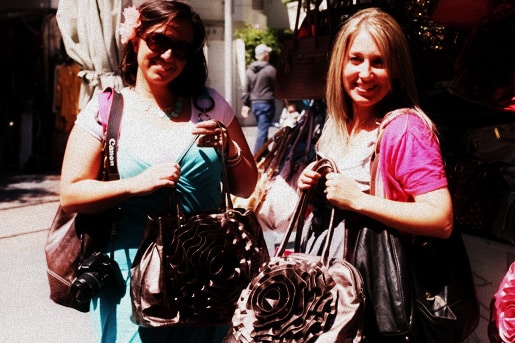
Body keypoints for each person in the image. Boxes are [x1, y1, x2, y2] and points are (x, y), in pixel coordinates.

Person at [59, 1, 257, 342]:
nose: (168, 56)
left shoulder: (210, 105)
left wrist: (230, 149)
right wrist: (134, 185)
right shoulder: (107, 109)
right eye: (158, 41)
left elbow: (246, 186)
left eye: (181, 48)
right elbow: (72, 193)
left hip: (208, 278)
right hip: (132, 280)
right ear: (135, 40)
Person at [297, 7, 453, 341]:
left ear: (396, 70)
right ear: (340, 64)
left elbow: (440, 218)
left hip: (374, 300)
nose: (365, 74)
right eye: (355, 59)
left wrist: (358, 200)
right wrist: (311, 187)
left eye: (378, 62)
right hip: (329, 291)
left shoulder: (404, 129)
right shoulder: (335, 124)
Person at [241, 43, 276, 154]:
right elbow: (278, 86)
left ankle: (264, 152)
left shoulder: (249, 70)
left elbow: (246, 89)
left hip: (255, 104)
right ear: (265, 55)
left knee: (262, 128)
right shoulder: (270, 69)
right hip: (267, 103)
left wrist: (246, 103)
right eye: (268, 53)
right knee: (263, 130)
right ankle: (256, 156)